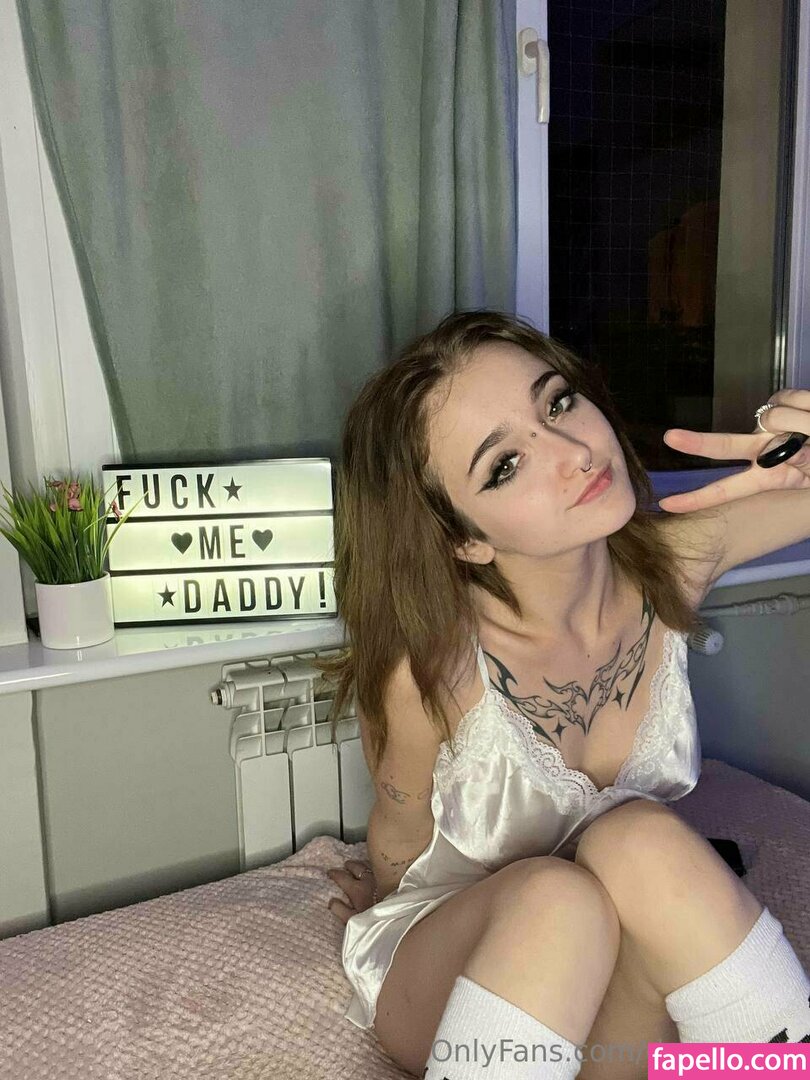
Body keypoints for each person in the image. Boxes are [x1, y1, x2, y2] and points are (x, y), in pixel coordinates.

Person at [319, 310, 810, 1079]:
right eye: (505, 465)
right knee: (559, 898)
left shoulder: (672, 564)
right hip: (462, 962)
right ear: (465, 539)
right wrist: (383, 910)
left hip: (611, 961)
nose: (576, 453)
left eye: (557, 403)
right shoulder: (431, 671)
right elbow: (399, 833)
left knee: (639, 838)